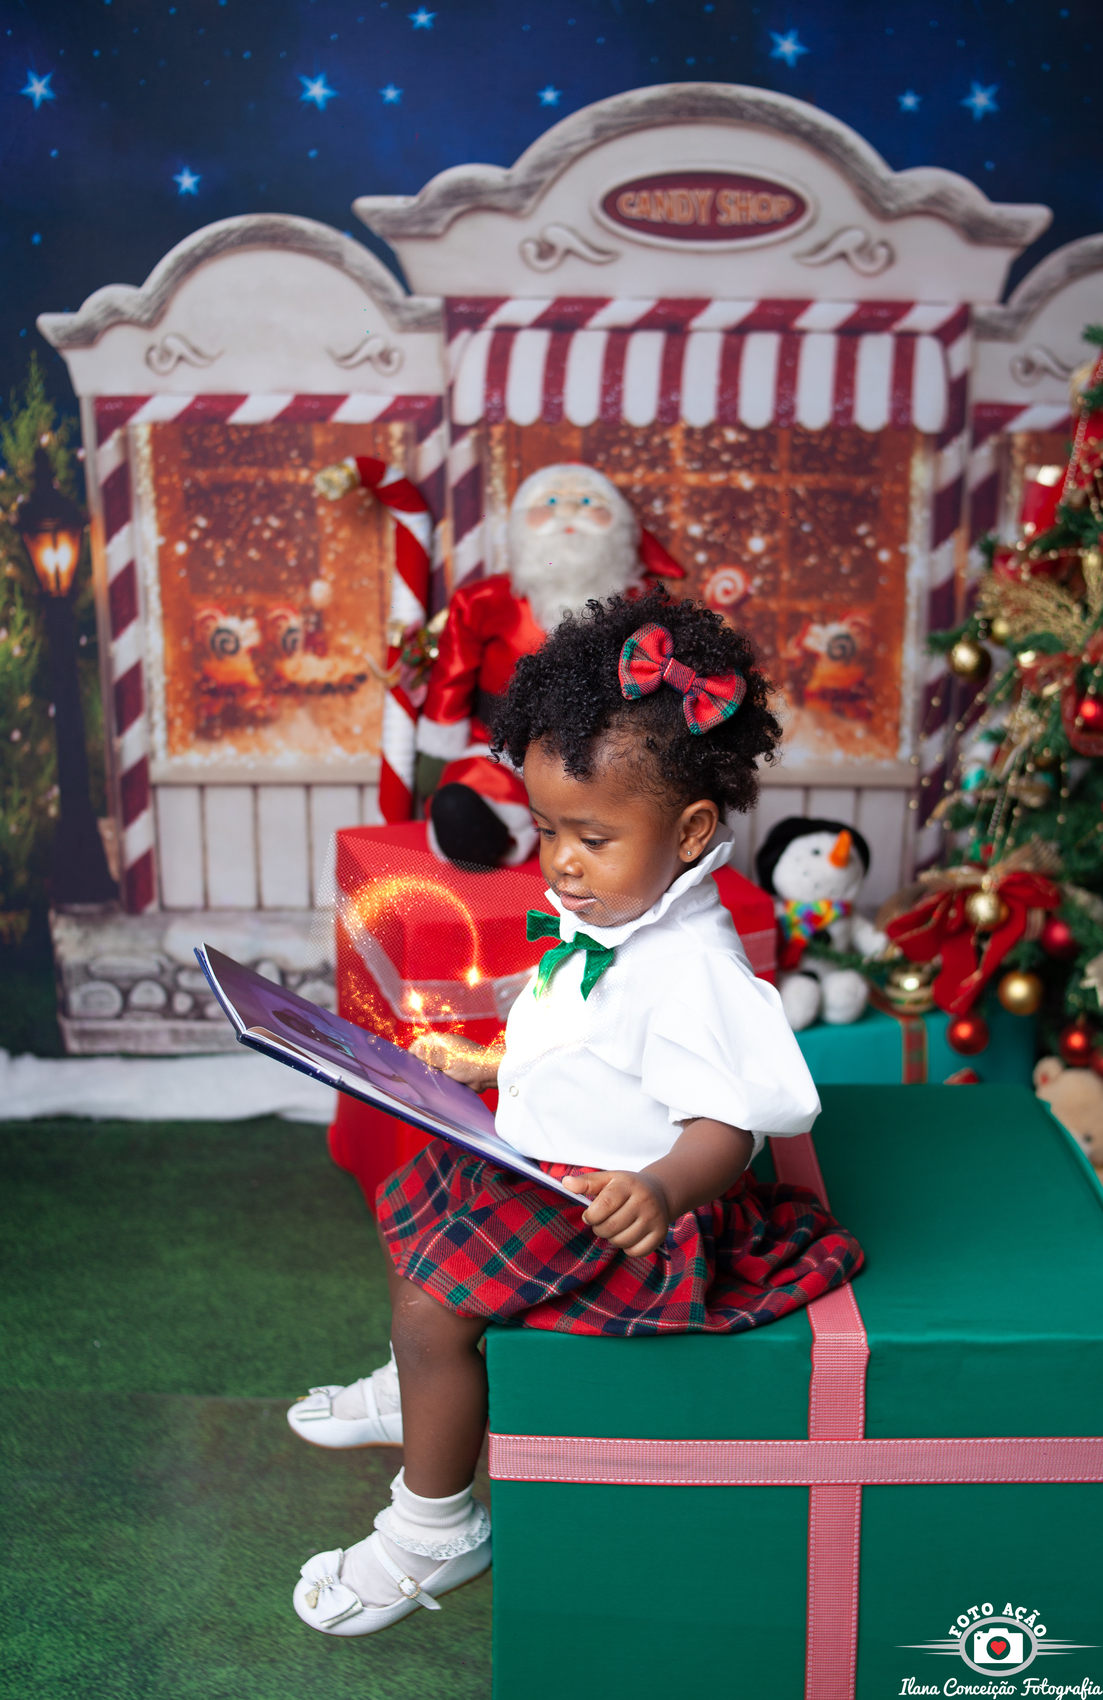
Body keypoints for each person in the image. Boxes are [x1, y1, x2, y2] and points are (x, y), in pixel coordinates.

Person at [290, 591, 864, 1638]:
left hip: (612, 1205)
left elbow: (729, 1128)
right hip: (538, 1162)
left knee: (432, 1303)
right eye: (548, 828)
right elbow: (586, 1031)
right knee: (411, 1211)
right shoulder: (616, 906)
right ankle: (422, 1389)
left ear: (690, 831)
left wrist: (661, 1189)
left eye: (590, 837)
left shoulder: (694, 966)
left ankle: (436, 1527)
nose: (557, 861)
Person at [417, 463, 682, 868]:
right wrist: (440, 743)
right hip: (502, 745)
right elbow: (452, 675)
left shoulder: (648, 605)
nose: (569, 512)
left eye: (589, 502)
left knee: (623, 797)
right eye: (551, 502)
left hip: (606, 748)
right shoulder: (483, 601)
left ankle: (600, 845)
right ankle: (489, 828)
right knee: (473, 785)